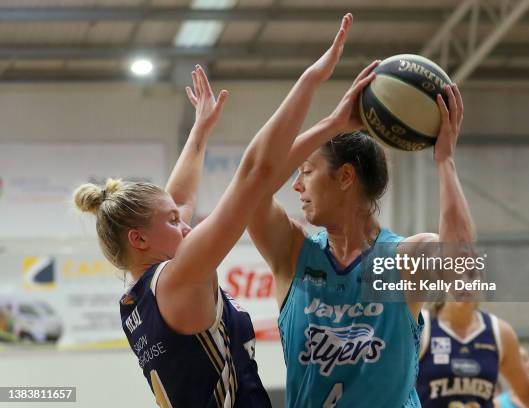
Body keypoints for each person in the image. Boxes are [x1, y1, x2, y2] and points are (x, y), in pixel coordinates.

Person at [73, 13, 369, 408]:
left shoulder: (137, 297)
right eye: (174, 222)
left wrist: (200, 131)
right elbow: (256, 173)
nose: (185, 223)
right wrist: (318, 92)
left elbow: (176, 201)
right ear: (139, 238)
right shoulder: (180, 277)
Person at [247, 62, 474, 404]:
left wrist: (445, 161)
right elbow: (251, 184)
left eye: (307, 172)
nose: (296, 186)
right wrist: (332, 124)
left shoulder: (404, 260)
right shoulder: (292, 252)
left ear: (345, 177)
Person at [418, 302, 529, 408]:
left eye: (471, 275)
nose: (464, 282)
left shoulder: (499, 332)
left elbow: (528, 392)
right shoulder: (421, 324)